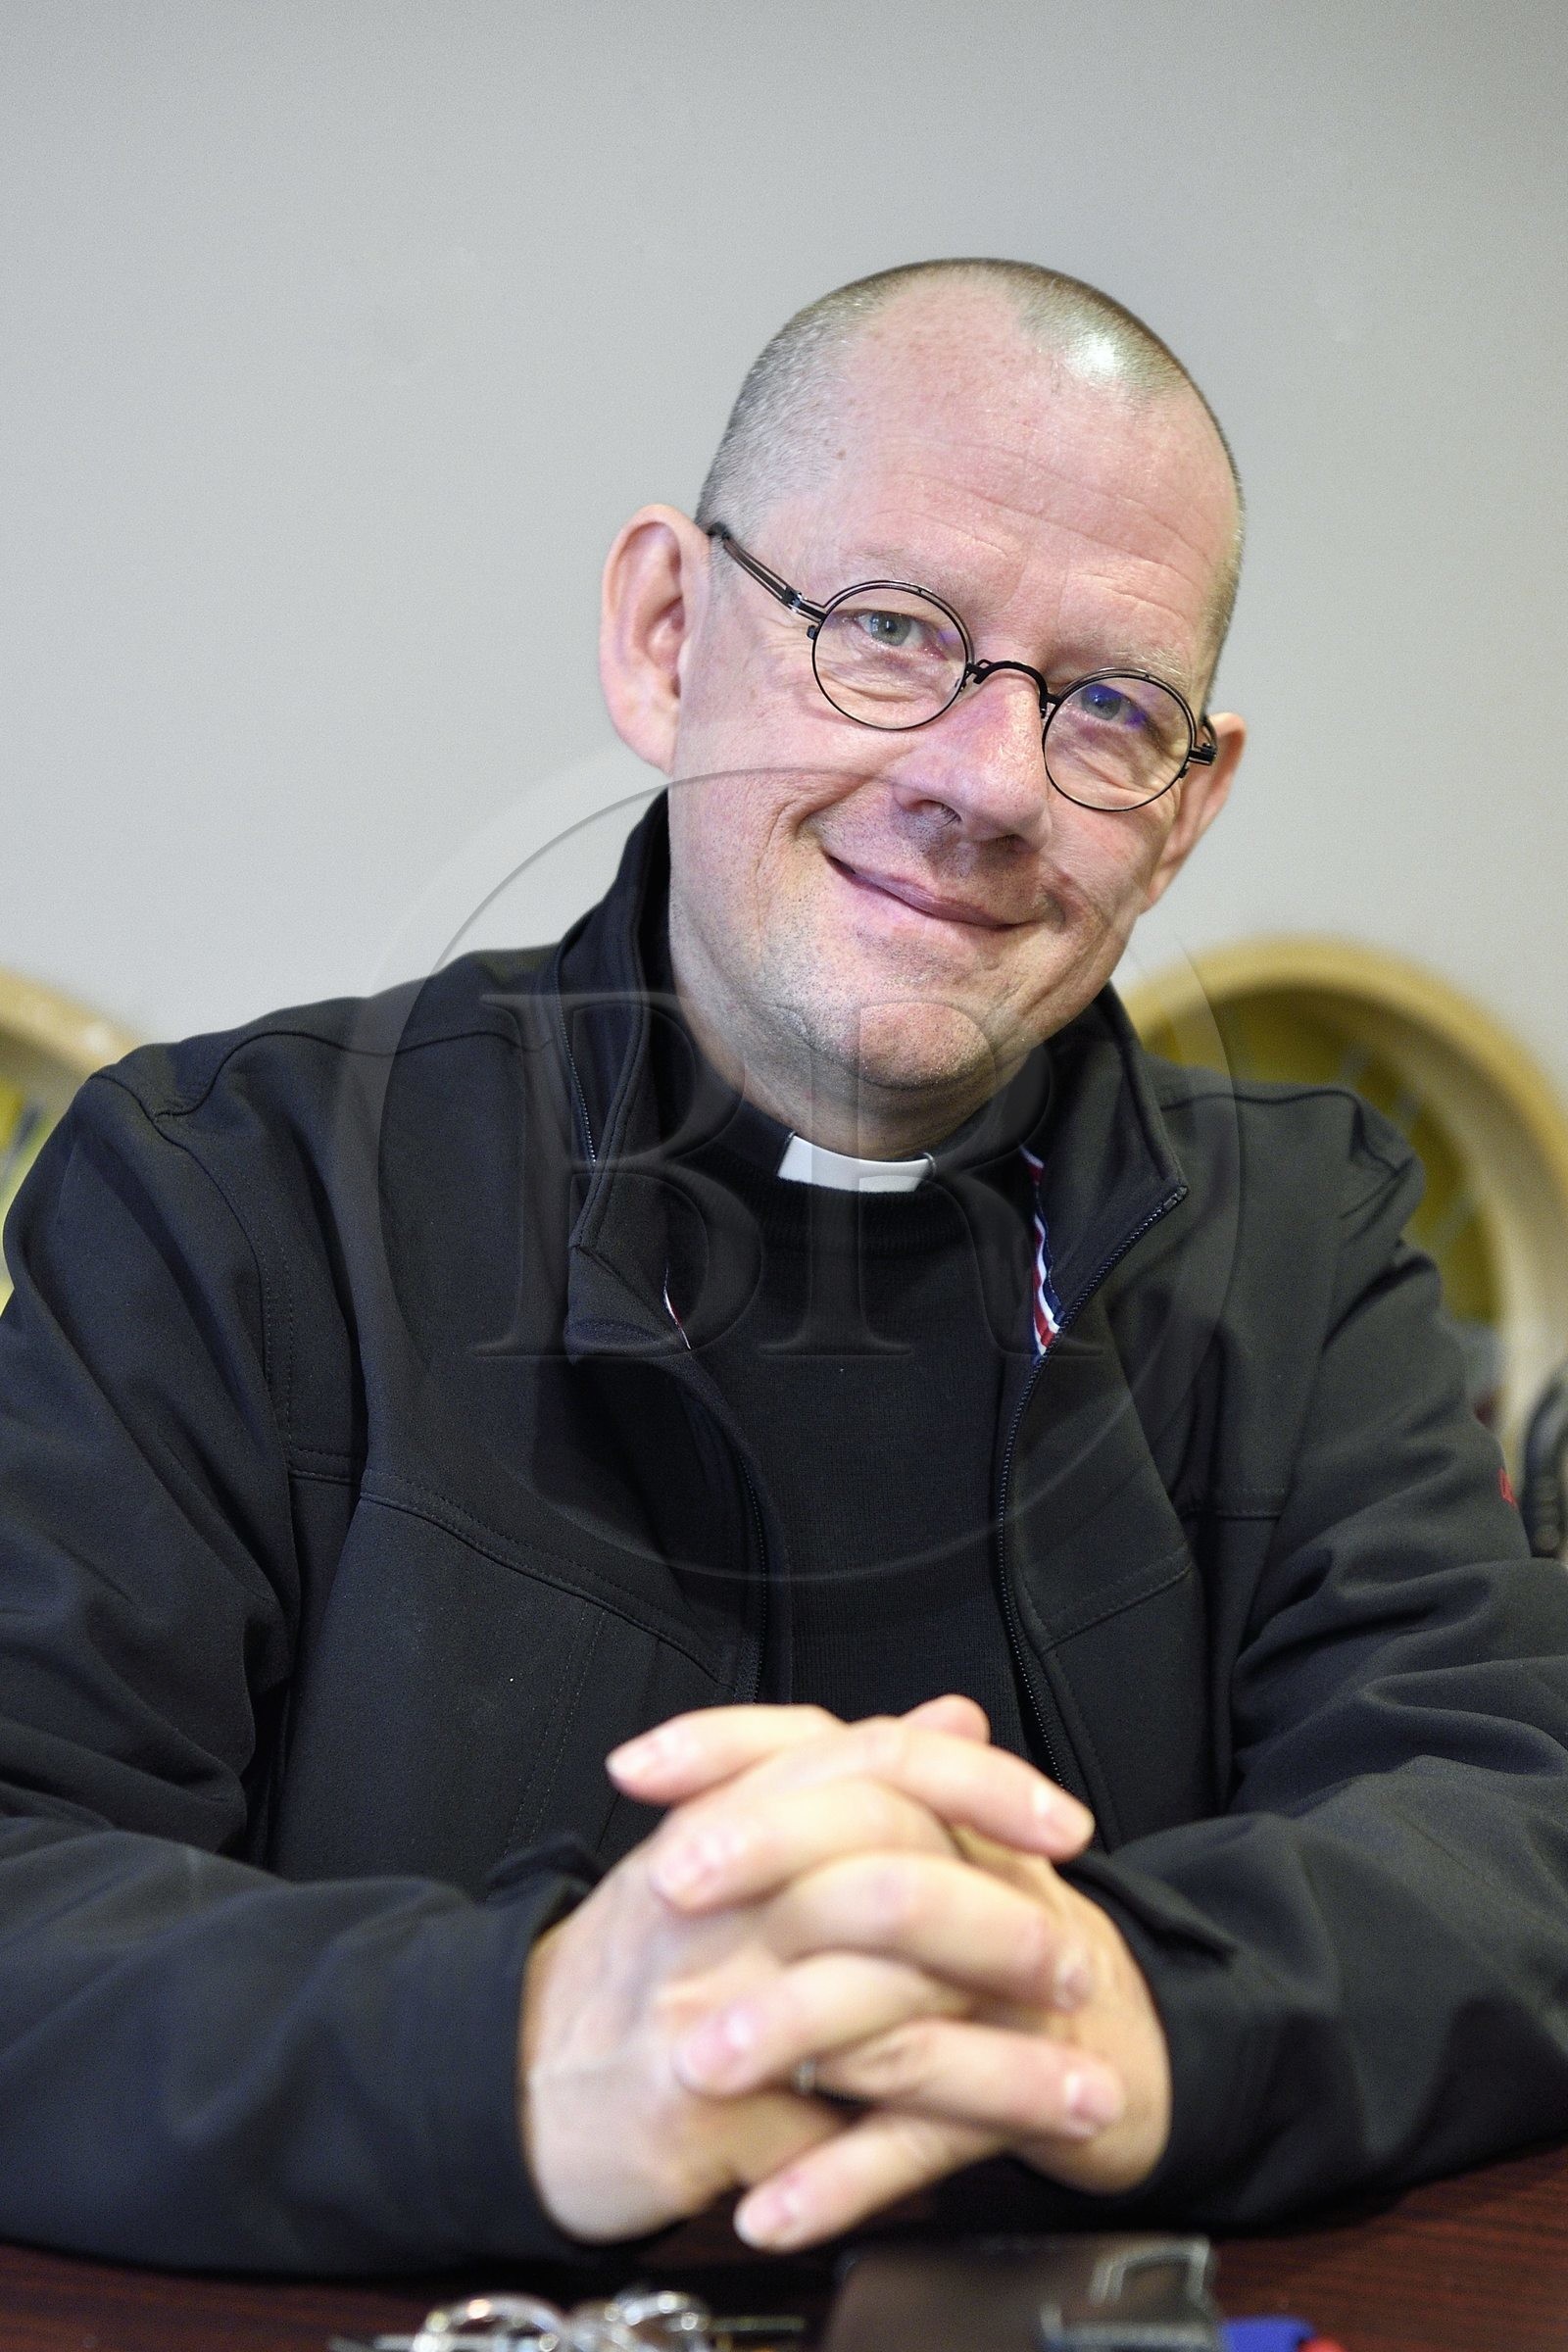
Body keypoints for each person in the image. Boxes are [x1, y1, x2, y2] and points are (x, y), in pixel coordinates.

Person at [1, 258, 1566, 2278]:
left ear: (1184, 811)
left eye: (1107, 707)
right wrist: (535, 2044)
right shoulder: (229, 1200)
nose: (988, 783)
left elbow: (1508, 1828)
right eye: (889, 632)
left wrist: (1130, 2011)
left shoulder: (1304, 1243)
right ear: (665, 636)